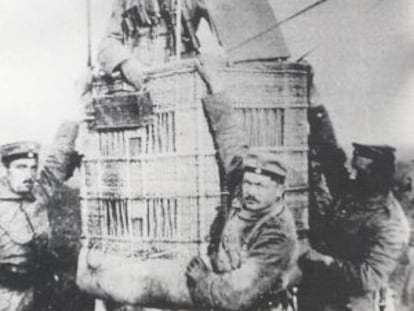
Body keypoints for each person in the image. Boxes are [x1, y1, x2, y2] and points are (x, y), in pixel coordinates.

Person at [185, 63, 299, 311]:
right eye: (248, 182)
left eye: (260, 185)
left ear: (279, 191)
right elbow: (230, 140)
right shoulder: (247, 193)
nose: (250, 191)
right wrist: (216, 87)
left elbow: (235, 296)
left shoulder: (277, 233)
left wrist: (203, 279)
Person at [298, 100, 410, 311]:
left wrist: (326, 261)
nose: (351, 172)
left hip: (349, 304)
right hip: (319, 295)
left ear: (376, 175)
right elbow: (331, 156)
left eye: (358, 170)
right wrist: (316, 109)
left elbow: (370, 278)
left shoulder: (391, 223)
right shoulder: (355, 192)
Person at [0, 121, 79, 311]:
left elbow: (57, 162)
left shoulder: (38, 194)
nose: (29, 174)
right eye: (21, 167)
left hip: (40, 293)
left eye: (32, 167)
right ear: (5, 171)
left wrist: (72, 123)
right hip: (7, 297)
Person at [98, 0, 210, 91]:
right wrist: (126, 63)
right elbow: (108, 42)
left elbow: (225, 35)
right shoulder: (126, 2)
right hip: (139, 85)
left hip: (181, 85)